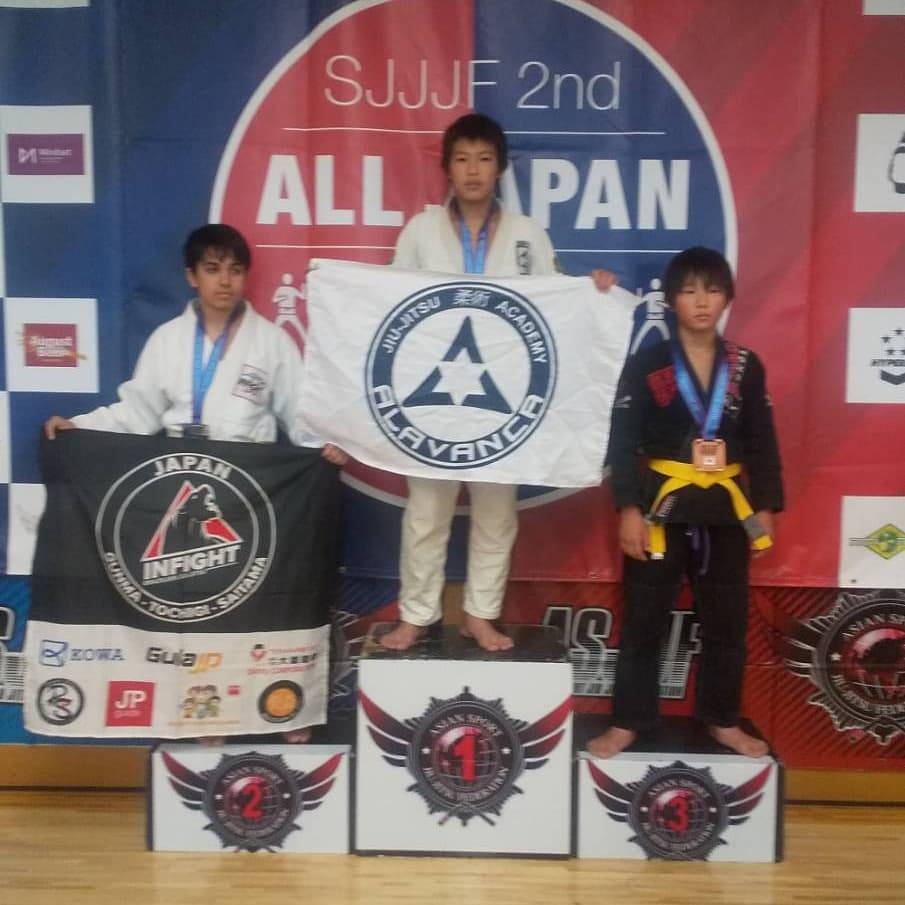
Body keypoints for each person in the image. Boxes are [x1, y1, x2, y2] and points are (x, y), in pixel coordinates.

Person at [45, 223, 346, 743]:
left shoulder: (271, 343)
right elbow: (136, 412)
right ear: (191, 276)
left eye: (235, 270)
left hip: (249, 491)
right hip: (180, 483)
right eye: (212, 269)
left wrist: (325, 447)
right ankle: (207, 716)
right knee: (191, 604)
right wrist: (80, 428)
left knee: (252, 600)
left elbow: (300, 417)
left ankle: (280, 707)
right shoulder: (167, 341)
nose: (224, 281)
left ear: (246, 277)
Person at [380, 113, 616, 653]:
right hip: (431, 399)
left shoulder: (528, 235)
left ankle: (480, 614)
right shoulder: (419, 233)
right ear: (447, 168)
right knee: (425, 513)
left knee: (496, 512)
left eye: (484, 159)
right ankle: (416, 615)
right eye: (462, 159)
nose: (473, 170)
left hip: (502, 400)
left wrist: (592, 292)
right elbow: (390, 306)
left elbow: (555, 308)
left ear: (500, 168)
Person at [586, 247, 782, 759]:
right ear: (672, 299)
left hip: (727, 511)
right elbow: (622, 440)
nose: (701, 301)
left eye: (712, 290)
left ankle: (722, 719)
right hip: (661, 508)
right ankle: (628, 721)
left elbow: (763, 440)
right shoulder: (648, 363)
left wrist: (765, 506)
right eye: (689, 290)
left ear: (727, 298)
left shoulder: (745, 367)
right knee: (644, 621)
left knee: (727, 623)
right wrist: (628, 508)